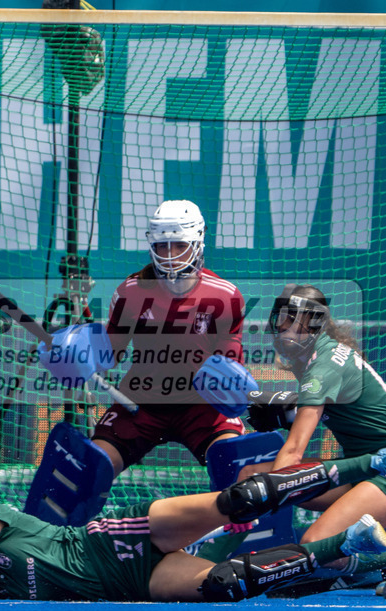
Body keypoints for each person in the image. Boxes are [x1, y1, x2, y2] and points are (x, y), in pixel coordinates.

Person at [0, 485, 386, 603]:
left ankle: (368, 465)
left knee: (241, 501)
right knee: (234, 584)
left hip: (113, 539)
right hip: (127, 585)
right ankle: (352, 549)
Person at [33, 200, 247, 524]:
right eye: (163, 245)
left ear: (198, 242)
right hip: (140, 401)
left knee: (238, 469)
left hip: (200, 406)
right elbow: (110, 351)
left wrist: (233, 379)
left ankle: (240, 551)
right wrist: (75, 352)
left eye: (179, 244)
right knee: (85, 473)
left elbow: (230, 358)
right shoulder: (131, 291)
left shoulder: (225, 295)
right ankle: (52, 552)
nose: (171, 254)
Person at [237, 284, 386, 573]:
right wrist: (284, 415)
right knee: (251, 474)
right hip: (361, 470)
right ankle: (369, 554)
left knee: (316, 542)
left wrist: (267, 497)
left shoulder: (322, 367)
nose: (283, 328)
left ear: (315, 324)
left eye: (293, 320)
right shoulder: (324, 354)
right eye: (281, 319)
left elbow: (293, 451)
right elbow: (343, 409)